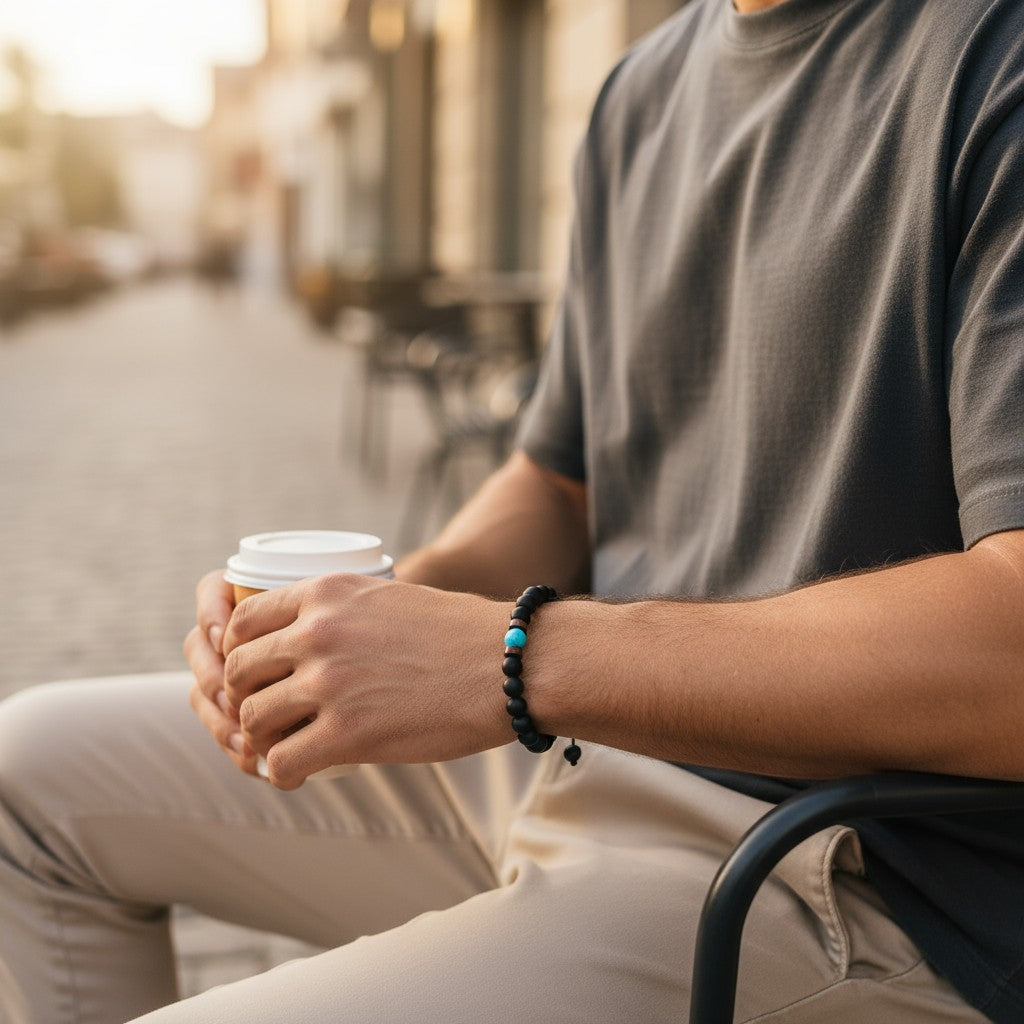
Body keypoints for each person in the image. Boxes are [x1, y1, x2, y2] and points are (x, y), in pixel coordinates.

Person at [2, 0, 1023, 1020]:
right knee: (26, 779)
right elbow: (557, 482)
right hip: (584, 744)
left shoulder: (990, 50)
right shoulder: (644, 86)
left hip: (850, 867)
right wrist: (356, 629)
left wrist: (519, 658)